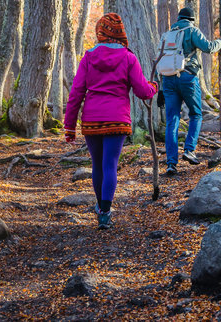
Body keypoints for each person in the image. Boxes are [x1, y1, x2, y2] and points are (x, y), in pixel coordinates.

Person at [64, 13, 158, 229]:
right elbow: (143, 91)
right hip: (117, 120)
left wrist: (70, 126)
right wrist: (154, 86)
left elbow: (76, 92)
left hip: (92, 120)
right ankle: (105, 212)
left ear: (100, 33)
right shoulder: (128, 57)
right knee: (110, 166)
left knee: (97, 165)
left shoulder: (88, 56)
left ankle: (100, 206)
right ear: (120, 34)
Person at [162, 7, 221, 174]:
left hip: (167, 79)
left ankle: (171, 163)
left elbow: (160, 59)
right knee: (196, 114)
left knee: (172, 121)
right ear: (192, 19)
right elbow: (209, 47)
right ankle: (189, 150)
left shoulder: (167, 35)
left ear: (178, 18)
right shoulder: (192, 31)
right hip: (187, 78)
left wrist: (160, 87)